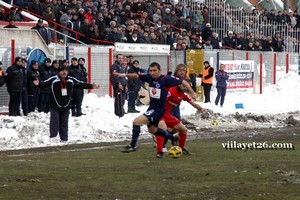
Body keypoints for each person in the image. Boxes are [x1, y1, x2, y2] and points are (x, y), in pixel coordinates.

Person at [115, 62, 196, 158]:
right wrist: (123, 74)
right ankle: (172, 138)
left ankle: (133, 146)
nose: (152, 73)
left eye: (154, 71)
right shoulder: (149, 77)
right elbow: (136, 76)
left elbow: (183, 82)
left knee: (136, 122)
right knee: (152, 129)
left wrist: (192, 92)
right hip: (152, 108)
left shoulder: (166, 79)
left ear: (160, 71)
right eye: (150, 70)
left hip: (159, 110)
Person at [33, 65, 99, 142]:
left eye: (66, 71)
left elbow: (80, 84)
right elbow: (44, 83)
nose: (64, 72)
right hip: (55, 105)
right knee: (55, 122)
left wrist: (91, 86)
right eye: (62, 71)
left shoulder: (71, 80)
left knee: (64, 123)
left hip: (66, 105)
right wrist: (38, 84)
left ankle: (64, 139)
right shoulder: (54, 80)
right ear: (59, 72)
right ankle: (53, 138)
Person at [159, 81, 207, 155]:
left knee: (183, 130)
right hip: (161, 113)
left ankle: (181, 148)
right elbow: (161, 100)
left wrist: (201, 109)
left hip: (168, 115)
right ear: (179, 85)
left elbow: (193, 103)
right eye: (184, 86)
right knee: (164, 130)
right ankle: (161, 148)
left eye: (187, 87)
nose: (185, 88)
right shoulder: (171, 91)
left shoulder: (183, 95)